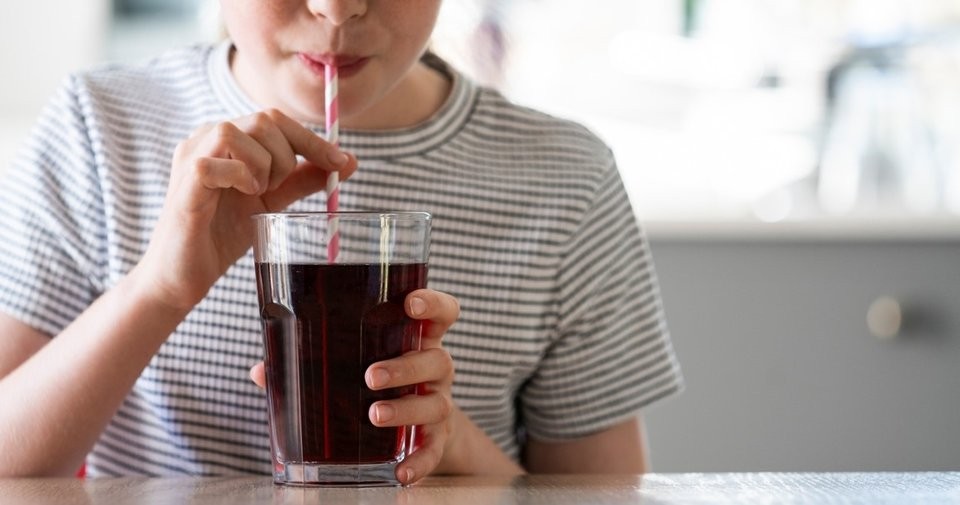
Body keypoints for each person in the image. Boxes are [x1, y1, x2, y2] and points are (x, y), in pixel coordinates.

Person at [0, 0, 683, 482]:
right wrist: (159, 288)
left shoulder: (565, 177)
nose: (336, 8)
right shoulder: (100, 127)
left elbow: (606, 493)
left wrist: (454, 450)